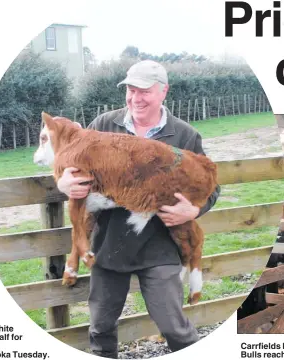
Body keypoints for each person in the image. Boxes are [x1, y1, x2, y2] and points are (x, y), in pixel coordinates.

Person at [57, 60, 221, 358]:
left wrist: (193, 212)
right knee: (101, 326)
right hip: (108, 245)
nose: (135, 98)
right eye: (130, 90)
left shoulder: (184, 135)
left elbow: (211, 187)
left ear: (163, 92)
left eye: (144, 90)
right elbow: (70, 166)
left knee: (174, 326)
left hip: (159, 246)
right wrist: (64, 183)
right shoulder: (104, 125)